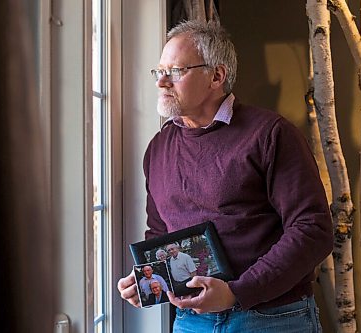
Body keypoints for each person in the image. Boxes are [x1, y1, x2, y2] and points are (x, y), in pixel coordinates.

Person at [118, 19, 333, 332]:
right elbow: (160, 233)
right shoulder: (159, 147)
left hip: (272, 319)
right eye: (159, 71)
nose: (161, 81)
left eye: (175, 71)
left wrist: (237, 293)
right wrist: (147, 278)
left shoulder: (272, 134)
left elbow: (313, 231)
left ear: (216, 76)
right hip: (191, 321)